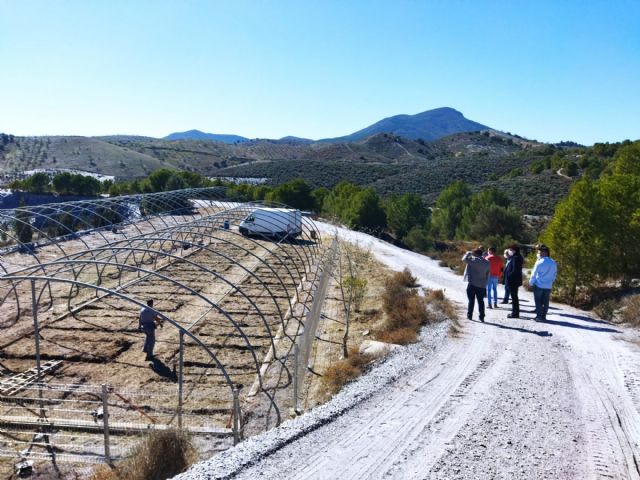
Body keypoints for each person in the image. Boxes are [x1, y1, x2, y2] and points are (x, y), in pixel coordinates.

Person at [529, 244, 558, 322]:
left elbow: (533, 274)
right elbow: (555, 274)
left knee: (538, 301)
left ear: (544, 252)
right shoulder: (553, 262)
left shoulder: (539, 262)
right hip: (548, 286)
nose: (539, 253)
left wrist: (531, 283)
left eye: (540, 252)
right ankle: (544, 316)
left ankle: (539, 316)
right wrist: (551, 281)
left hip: (539, 284)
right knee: (546, 302)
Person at [462, 247, 490, 322]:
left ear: (476, 254)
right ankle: (482, 316)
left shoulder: (473, 260)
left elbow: (464, 259)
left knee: (471, 301)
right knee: (481, 301)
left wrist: (468, 253)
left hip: (472, 284)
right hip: (482, 285)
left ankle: (469, 315)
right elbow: (487, 274)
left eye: (473, 253)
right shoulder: (487, 262)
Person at [503, 244, 523, 318]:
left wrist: (508, 277)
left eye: (510, 250)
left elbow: (514, 270)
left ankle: (515, 313)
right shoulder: (516, 257)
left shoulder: (516, 258)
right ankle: (515, 312)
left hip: (513, 281)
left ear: (514, 250)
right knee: (514, 297)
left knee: (514, 298)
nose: (509, 251)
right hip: (514, 280)